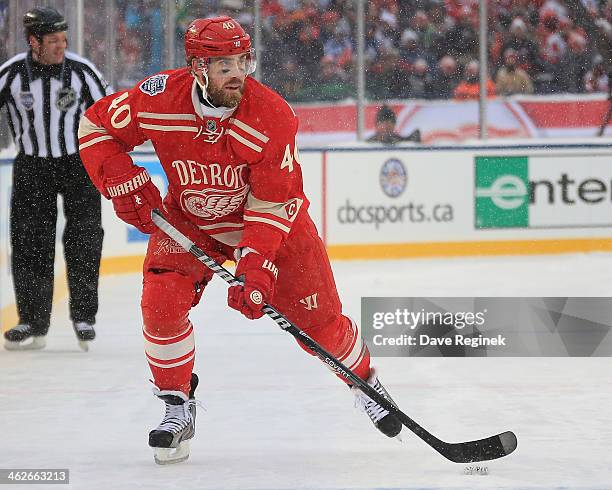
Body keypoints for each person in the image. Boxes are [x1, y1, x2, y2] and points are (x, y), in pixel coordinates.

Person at [78, 16, 402, 465]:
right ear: (197, 67)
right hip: (191, 221)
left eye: (242, 60)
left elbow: (272, 202)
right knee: (161, 301)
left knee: (318, 327)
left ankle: (366, 381)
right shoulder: (157, 98)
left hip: (274, 227)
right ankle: (177, 405)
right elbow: (96, 128)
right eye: (223, 63)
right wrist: (121, 179)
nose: (237, 72)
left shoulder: (272, 116)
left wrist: (256, 264)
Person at [1, 7, 112, 351]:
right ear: (33, 41)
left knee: (84, 239)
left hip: (78, 165)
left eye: (64, 39)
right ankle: (32, 321)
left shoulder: (82, 72)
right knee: (29, 243)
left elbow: (111, 112)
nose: (61, 46)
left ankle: (84, 316)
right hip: (32, 167)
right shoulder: (11, 74)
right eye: (53, 41)